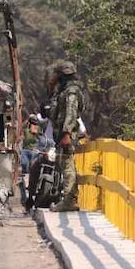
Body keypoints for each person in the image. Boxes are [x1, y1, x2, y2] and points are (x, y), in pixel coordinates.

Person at [49, 59, 85, 212]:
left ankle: (69, 200)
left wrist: (66, 133)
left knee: (68, 165)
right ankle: (69, 199)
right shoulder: (64, 90)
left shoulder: (71, 92)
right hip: (62, 133)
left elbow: (70, 113)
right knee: (64, 164)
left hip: (67, 134)